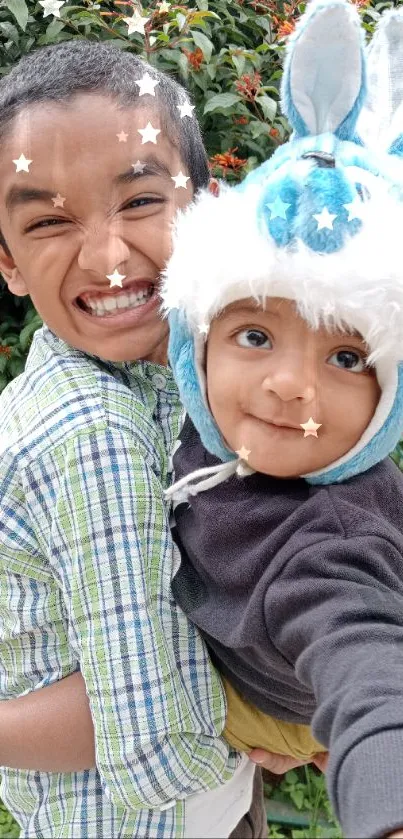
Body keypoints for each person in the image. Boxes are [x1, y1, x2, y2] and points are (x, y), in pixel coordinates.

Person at [0, 37, 274, 839]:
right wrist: (285, 709)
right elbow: (157, 744)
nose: (109, 256)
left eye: (142, 201)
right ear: (8, 261)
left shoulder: (176, 374)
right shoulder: (94, 435)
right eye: (49, 220)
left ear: (207, 208)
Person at [161, 2, 403, 837]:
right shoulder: (207, 423)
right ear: (195, 345)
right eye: (254, 334)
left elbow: (363, 657)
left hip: (269, 704)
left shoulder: (327, 540)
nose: (289, 385)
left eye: (346, 359)